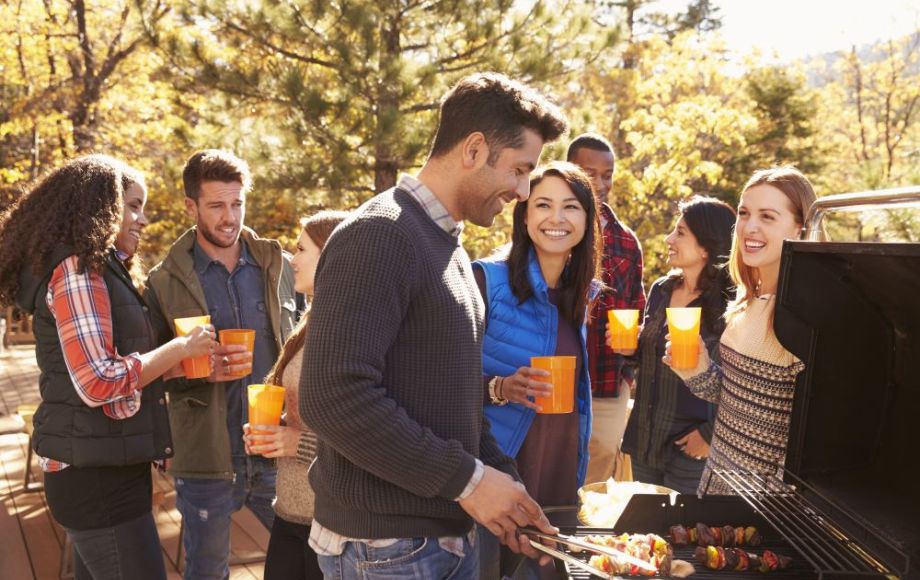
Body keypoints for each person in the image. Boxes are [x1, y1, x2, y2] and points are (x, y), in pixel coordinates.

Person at [300, 72, 569, 579]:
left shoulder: (449, 249)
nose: (523, 190)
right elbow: (333, 397)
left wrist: (505, 491)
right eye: (518, 170)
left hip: (436, 536)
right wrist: (471, 482)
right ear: (473, 149)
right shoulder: (380, 235)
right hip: (385, 549)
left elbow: (458, 402)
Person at [0, 155, 216, 580]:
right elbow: (98, 381)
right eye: (133, 206)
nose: (142, 219)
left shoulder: (101, 268)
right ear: (100, 205)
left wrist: (179, 365)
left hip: (110, 466)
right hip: (95, 480)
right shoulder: (78, 269)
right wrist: (178, 348)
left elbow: (117, 373)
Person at [144, 149, 298, 579]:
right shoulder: (162, 281)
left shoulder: (279, 266)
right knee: (207, 571)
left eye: (237, 203)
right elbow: (144, 373)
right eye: (216, 206)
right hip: (206, 454)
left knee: (312, 560)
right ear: (191, 206)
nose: (229, 217)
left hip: (275, 449)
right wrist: (190, 366)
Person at [476, 161, 600, 578]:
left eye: (571, 207)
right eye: (543, 204)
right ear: (524, 215)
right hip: (496, 481)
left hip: (559, 477)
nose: (557, 218)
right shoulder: (484, 281)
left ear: (587, 218)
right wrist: (500, 388)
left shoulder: (579, 296)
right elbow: (435, 382)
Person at [665, 167, 816, 495]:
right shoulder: (749, 296)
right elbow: (741, 399)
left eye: (768, 216)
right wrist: (697, 371)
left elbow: (808, 430)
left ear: (802, 229)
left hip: (763, 501)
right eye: (745, 213)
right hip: (719, 483)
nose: (749, 226)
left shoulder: (808, 312)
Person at [243, 210, 349, 580]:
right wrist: (274, 430)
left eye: (302, 249)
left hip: (331, 527)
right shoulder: (311, 322)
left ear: (331, 255)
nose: (292, 258)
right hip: (290, 512)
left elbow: (367, 441)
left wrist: (296, 444)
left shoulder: (347, 334)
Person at [620, 196, 736, 495]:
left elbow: (741, 382)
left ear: (707, 247)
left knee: (682, 534)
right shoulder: (661, 290)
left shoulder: (730, 305)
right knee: (646, 532)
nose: (669, 238)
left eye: (680, 233)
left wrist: (711, 435)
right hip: (646, 438)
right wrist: (631, 349)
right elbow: (652, 358)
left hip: (690, 446)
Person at [567, 133, 645, 485]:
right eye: (589, 173)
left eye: (607, 174)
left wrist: (632, 356)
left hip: (607, 382)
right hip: (553, 378)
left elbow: (637, 310)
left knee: (596, 480)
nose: (600, 183)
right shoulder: (551, 230)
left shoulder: (626, 241)